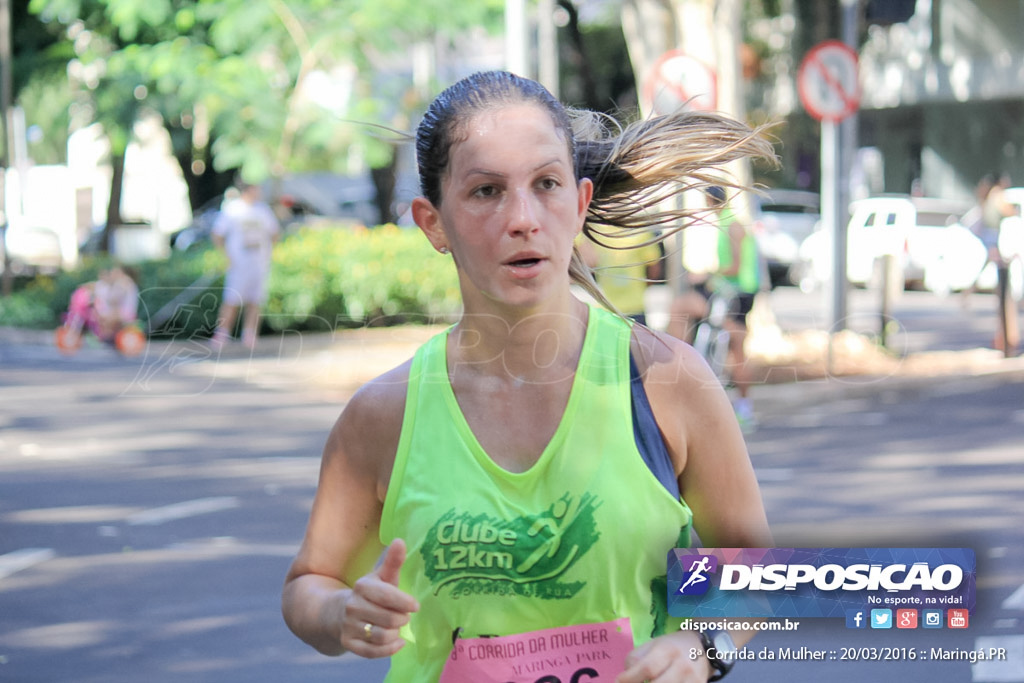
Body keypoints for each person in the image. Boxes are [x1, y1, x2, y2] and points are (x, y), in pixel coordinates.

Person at [281, 70, 774, 683]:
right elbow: (310, 583)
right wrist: (339, 613)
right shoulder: (386, 412)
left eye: (546, 184)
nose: (523, 218)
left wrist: (705, 645)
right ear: (433, 222)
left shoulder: (666, 381)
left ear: (580, 201)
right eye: (486, 191)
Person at [667, 186, 762, 430]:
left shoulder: (732, 224)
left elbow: (735, 267)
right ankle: (742, 408)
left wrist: (706, 274)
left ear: (710, 200)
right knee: (735, 348)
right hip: (735, 292)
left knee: (682, 309)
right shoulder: (728, 222)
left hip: (735, 293)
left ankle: (680, 374)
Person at [209, 181, 281, 350]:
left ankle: (249, 334)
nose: (259, 192)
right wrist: (226, 256)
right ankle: (222, 333)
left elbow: (275, 232)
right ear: (248, 190)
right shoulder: (233, 209)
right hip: (239, 264)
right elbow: (217, 234)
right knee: (232, 299)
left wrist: (268, 253)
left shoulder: (263, 210)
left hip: (259, 264)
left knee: (255, 300)